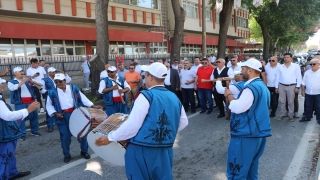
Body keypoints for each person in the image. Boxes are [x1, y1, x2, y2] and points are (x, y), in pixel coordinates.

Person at [95, 62, 188, 179]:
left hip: (142, 149)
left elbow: (133, 125)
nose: (144, 78)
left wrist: (110, 137)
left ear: (150, 77)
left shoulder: (146, 95)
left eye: (145, 75)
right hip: (165, 149)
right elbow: (184, 122)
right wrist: (164, 135)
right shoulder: (174, 97)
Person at [224, 58, 272, 180]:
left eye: (243, 69)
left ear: (250, 70)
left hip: (246, 133)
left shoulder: (251, 88)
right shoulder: (261, 85)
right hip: (257, 132)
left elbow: (237, 107)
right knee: (251, 169)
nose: (241, 71)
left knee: (237, 170)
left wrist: (229, 95)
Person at [46, 73, 102, 163]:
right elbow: (49, 106)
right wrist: (55, 113)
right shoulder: (52, 92)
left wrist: (93, 105)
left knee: (82, 134)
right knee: (65, 136)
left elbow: (83, 98)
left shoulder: (73, 88)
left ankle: (84, 151)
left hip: (76, 114)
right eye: (56, 82)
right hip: (62, 117)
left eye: (60, 81)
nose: (58, 83)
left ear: (65, 81)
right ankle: (66, 155)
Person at [0, 78, 40, 180]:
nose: (3, 86)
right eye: (1, 84)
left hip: (6, 132)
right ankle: (4, 176)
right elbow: (7, 116)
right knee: (5, 156)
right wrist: (27, 110)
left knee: (10, 155)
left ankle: (12, 173)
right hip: (4, 134)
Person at [8, 67, 41, 141]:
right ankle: (22, 134)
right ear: (15, 73)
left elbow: (40, 85)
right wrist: (23, 81)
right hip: (20, 102)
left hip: (31, 101)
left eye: (22, 71)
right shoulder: (11, 81)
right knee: (21, 118)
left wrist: (34, 83)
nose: (22, 72)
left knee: (34, 116)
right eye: (19, 71)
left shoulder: (28, 80)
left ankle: (34, 131)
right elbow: (13, 88)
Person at [41, 67, 72, 132]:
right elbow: (41, 90)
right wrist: (49, 92)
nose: (54, 73)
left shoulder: (59, 77)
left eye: (55, 71)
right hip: (51, 96)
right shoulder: (44, 80)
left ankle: (61, 123)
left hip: (61, 96)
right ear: (49, 73)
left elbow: (69, 80)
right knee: (50, 110)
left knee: (59, 110)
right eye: (53, 72)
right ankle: (50, 125)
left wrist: (64, 74)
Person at [275, 53, 302, 121]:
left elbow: (299, 77)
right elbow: (277, 77)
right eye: (285, 57)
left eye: (287, 57)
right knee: (282, 101)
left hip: (292, 86)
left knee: (290, 102)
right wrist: (276, 87)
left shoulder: (296, 66)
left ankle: (291, 115)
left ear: (291, 58)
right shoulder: (280, 66)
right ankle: (282, 114)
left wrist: (297, 87)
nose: (286, 58)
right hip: (281, 86)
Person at [300, 58, 320, 123]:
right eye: (311, 64)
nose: (312, 65)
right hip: (308, 93)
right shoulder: (307, 72)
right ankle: (307, 117)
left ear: (319, 64)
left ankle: (319, 119)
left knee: (318, 107)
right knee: (308, 106)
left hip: (318, 93)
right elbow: (303, 83)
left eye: (314, 64)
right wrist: (303, 91)